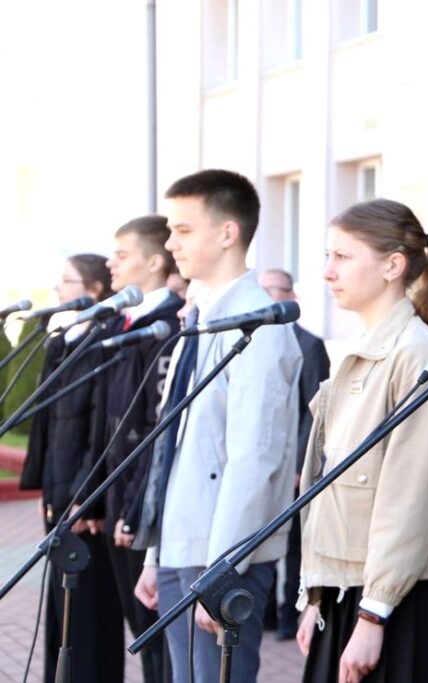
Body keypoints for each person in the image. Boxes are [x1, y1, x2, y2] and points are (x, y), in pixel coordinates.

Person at [132, 169, 303, 683]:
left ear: (228, 233)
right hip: (180, 545)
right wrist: (156, 552)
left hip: (218, 556)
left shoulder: (259, 324)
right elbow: (176, 445)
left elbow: (254, 457)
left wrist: (221, 568)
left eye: (183, 230)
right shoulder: (201, 317)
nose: (170, 244)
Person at [295, 199, 428, 683]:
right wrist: (317, 595)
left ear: (393, 266)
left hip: (397, 603)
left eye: (342, 256)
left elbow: (410, 498)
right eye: (328, 256)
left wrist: (374, 614)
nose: (328, 271)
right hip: (351, 593)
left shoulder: (416, 355)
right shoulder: (362, 350)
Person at [20, 254, 125, 683]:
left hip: (85, 503)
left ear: (94, 290)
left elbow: (101, 430)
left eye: (68, 280)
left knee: (89, 608)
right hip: (58, 493)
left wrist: (85, 498)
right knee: (60, 607)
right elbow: (47, 425)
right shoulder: (60, 343)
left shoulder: (106, 344)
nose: (59, 289)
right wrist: (45, 487)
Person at [93, 215, 184, 683]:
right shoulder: (124, 323)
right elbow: (108, 423)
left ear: (154, 262)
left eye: (122, 255)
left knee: (157, 638)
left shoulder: (167, 327)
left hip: (141, 507)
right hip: (118, 496)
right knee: (140, 633)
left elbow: (156, 432)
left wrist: (132, 510)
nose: (111, 263)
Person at [257, 267, 331, 641]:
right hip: (260, 463)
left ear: (292, 295)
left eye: (275, 289)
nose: (268, 296)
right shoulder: (251, 342)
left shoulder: (310, 344)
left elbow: (314, 411)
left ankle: (290, 613)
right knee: (262, 539)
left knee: (293, 545)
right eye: (263, 289)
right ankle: (266, 613)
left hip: (295, 465)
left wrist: (303, 464)